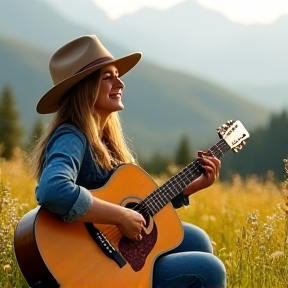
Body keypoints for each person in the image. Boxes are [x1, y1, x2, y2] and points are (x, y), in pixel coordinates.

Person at [31, 35, 226, 288]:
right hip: (90, 267)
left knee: (197, 239)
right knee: (208, 270)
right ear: (84, 88)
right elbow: (52, 190)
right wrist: (120, 216)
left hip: (115, 253)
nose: (120, 82)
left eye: (118, 75)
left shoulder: (106, 140)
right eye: (107, 77)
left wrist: (188, 188)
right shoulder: (71, 136)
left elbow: (138, 209)